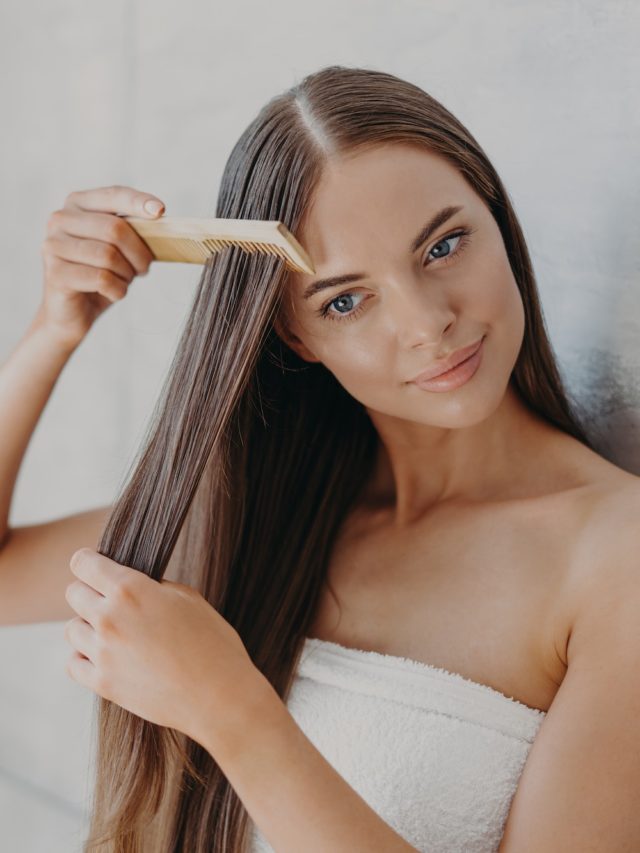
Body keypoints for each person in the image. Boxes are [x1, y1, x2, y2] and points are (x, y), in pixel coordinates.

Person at [1, 65, 639, 852]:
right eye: (345, 298)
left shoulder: (616, 558)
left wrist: (231, 709)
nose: (426, 322)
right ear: (292, 335)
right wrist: (53, 329)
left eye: (443, 245)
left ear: (498, 219)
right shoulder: (260, 508)